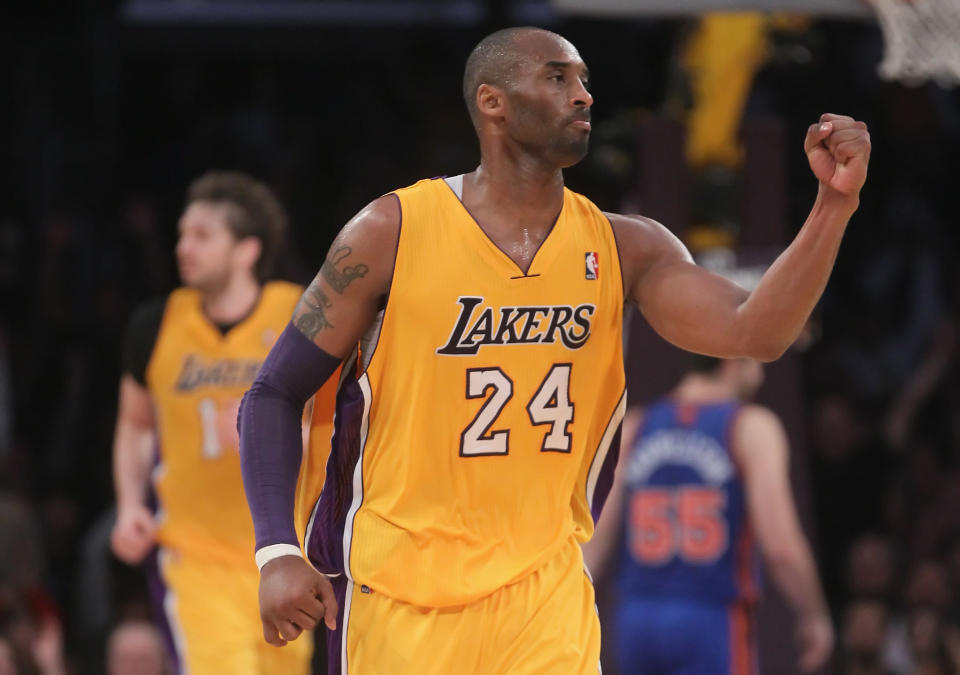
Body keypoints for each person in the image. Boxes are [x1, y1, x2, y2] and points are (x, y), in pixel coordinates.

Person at [238, 26, 870, 674]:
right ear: (493, 102)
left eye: (586, 81)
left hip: (548, 603)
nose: (584, 96)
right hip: (407, 601)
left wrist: (833, 205)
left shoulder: (627, 247)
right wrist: (275, 549)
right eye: (558, 77)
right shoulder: (391, 231)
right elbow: (273, 391)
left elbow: (756, 331)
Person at [110, 171, 334, 674]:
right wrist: (128, 505)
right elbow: (136, 425)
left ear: (247, 250)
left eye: (202, 235)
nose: (183, 247)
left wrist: (285, 431)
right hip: (193, 556)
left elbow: (337, 417)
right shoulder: (155, 323)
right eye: (182, 234)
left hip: (286, 553)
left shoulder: (301, 313)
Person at [582, 356, 833, 673]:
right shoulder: (750, 426)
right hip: (711, 617)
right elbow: (780, 546)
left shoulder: (635, 425)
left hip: (636, 617)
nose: (760, 372)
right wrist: (814, 615)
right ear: (733, 357)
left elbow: (595, 537)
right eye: (757, 357)